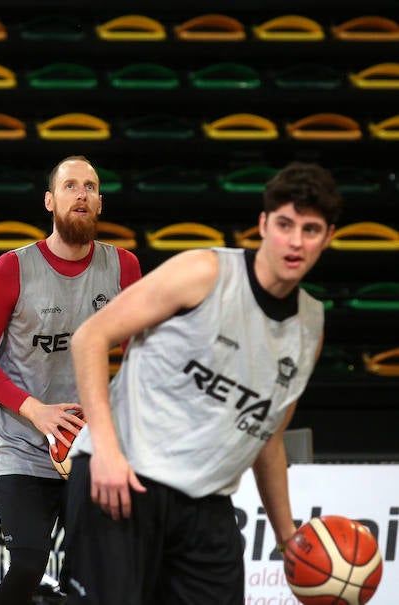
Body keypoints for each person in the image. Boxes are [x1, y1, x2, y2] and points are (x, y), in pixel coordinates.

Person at [65, 162, 342, 605]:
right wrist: (106, 451)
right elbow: (89, 338)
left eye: (311, 230)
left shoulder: (311, 324)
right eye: (285, 225)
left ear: (327, 237)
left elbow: (266, 438)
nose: (295, 241)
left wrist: (289, 538)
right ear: (264, 224)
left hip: (207, 506)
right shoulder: (204, 271)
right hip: (123, 480)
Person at [0, 156, 142, 604]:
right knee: (27, 564)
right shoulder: (12, 269)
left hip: (90, 447)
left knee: (93, 574)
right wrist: (35, 410)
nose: (81, 193)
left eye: (91, 187)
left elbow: (141, 358)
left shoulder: (124, 269)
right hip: (23, 440)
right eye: (70, 186)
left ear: (100, 202)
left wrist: (116, 427)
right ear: (50, 201)